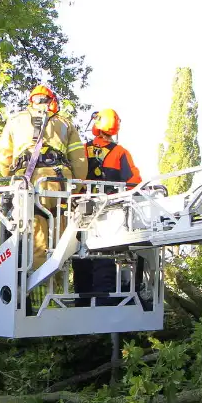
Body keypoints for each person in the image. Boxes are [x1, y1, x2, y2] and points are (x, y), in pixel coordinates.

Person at [0, 84, 88, 270]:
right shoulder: (65, 124)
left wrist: (12, 180)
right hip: (60, 185)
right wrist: (74, 189)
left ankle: (37, 288)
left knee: (36, 240)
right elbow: (79, 161)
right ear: (52, 101)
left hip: (27, 186)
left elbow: (4, 158)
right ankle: (58, 286)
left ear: (31, 101)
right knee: (60, 242)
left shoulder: (15, 120)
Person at [75, 108, 140, 306]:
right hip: (109, 215)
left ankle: (82, 307)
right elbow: (134, 182)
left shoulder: (82, 151)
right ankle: (104, 307)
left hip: (80, 214)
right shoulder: (121, 153)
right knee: (104, 258)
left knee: (81, 259)